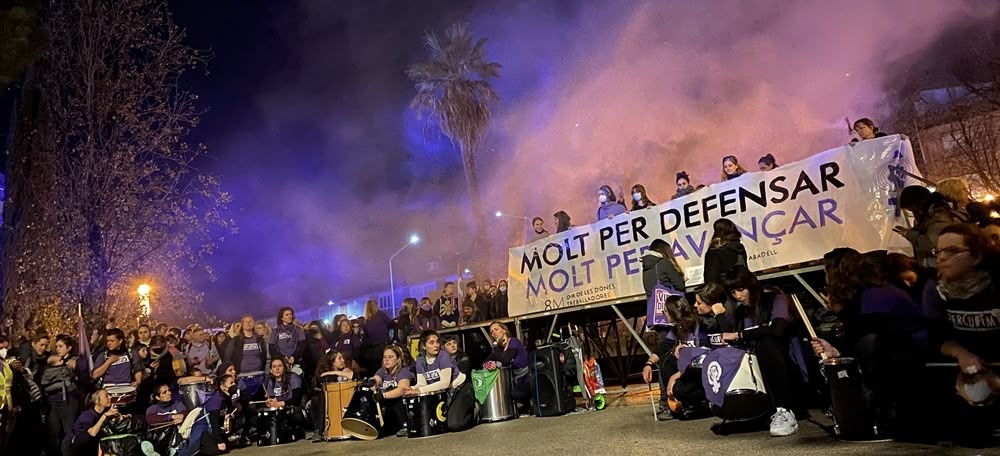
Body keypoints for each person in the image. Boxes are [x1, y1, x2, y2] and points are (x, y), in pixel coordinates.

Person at [810, 248, 927, 439]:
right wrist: (834, 349)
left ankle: (885, 413)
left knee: (870, 343)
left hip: (914, 350)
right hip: (894, 351)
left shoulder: (875, 294)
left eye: (826, 272)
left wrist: (841, 314)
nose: (825, 278)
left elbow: (871, 336)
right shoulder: (862, 295)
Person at [921, 224, 1000, 446]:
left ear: (976, 256)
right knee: (971, 437)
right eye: (939, 252)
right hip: (970, 369)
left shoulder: (995, 283)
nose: (942, 258)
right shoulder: (935, 289)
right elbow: (937, 336)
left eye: (953, 251)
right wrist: (961, 354)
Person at [720, 266, 800, 436]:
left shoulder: (774, 299)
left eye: (741, 289)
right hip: (757, 369)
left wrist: (740, 335)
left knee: (766, 342)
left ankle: (784, 409)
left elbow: (777, 329)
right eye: (733, 292)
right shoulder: (740, 312)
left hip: (787, 365)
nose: (738, 296)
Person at [895, 185, 960, 269]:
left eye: (911, 209)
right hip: (935, 266)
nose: (912, 213)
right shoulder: (927, 216)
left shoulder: (938, 216)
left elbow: (932, 244)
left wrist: (909, 234)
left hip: (941, 267)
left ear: (917, 204)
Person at [41, 334, 80, 456]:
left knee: (68, 431)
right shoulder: (50, 362)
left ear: (68, 348)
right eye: (56, 346)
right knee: (54, 432)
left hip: (68, 402)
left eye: (61, 346)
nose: (58, 349)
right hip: (53, 402)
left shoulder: (75, 361)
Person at [308, 351, 354, 441]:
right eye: (339, 358)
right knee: (317, 398)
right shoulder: (323, 373)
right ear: (332, 361)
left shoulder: (342, 370)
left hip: (341, 403)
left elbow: (351, 375)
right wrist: (336, 374)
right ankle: (319, 430)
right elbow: (324, 378)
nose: (343, 360)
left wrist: (336, 373)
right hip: (325, 403)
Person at [62, 389, 120, 456]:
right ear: (97, 401)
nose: (110, 397)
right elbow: (92, 433)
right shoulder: (87, 416)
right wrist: (104, 416)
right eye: (106, 396)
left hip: (89, 446)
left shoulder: (103, 412)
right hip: (74, 448)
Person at [485, 322, 530, 408]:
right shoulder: (500, 349)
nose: (494, 333)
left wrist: (495, 348)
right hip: (515, 379)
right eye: (491, 332)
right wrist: (488, 364)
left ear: (504, 330)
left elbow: (505, 360)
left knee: (515, 394)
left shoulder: (514, 342)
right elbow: (485, 362)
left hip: (526, 377)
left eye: (496, 329)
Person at [372, 345, 413, 437]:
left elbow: (402, 389)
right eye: (385, 357)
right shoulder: (382, 371)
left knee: (396, 397)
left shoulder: (403, 372)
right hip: (387, 409)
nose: (386, 360)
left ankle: (404, 425)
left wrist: (383, 395)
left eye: (391, 357)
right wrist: (371, 383)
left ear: (398, 359)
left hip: (400, 406)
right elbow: (376, 379)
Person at [222, 315, 268, 398]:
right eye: (246, 321)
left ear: (254, 324)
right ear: (242, 324)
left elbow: (265, 356)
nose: (248, 323)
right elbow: (227, 358)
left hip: (259, 376)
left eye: (250, 321)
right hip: (242, 378)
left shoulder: (259, 340)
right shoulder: (236, 340)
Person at [262, 357, 306, 432]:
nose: (277, 369)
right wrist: (270, 403)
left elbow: (296, 399)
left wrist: (280, 403)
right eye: (274, 367)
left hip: (294, 409)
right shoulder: (271, 381)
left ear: (284, 368)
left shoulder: (293, 377)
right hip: (281, 411)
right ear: (270, 370)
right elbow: (272, 399)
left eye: (280, 366)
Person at [144, 382, 188, 456]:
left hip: (176, 438)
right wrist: (171, 417)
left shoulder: (177, 404)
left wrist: (182, 417)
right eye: (164, 392)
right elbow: (150, 419)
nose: (169, 393)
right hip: (159, 440)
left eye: (169, 390)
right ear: (158, 397)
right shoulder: (152, 409)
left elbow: (185, 413)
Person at [703, 218, 749, 285]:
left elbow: (710, 279)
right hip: (742, 287)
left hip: (724, 290)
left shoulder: (715, 251)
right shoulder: (740, 247)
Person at [202, 374, 239, 454]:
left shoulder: (227, 397)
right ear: (222, 387)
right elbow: (214, 422)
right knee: (217, 451)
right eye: (231, 383)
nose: (234, 385)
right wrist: (219, 441)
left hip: (216, 428)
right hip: (205, 429)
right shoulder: (217, 399)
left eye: (234, 382)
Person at [269, 307, 306, 373]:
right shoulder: (275, 331)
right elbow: (272, 348)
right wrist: (282, 358)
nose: (290, 316)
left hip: (296, 362)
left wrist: (294, 357)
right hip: (281, 364)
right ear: (281, 318)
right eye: (287, 315)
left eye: (291, 314)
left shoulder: (298, 329)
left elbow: (302, 345)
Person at [362, 299, 392, 375]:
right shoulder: (381, 315)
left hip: (372, 348)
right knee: (386, 367)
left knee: (375, 369)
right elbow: (391, 324)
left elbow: (366, 335)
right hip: (383, 345)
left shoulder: (366, 321)